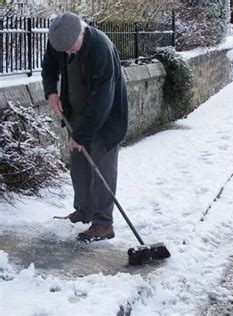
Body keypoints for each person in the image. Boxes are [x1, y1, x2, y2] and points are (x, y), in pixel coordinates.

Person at [41, 12, 128, 242]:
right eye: (64, 50)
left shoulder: (101, 49)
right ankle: (84, 210)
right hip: (76, 114)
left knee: (102, 169)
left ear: (81, 32)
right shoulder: (60, 42)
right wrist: (51, 92)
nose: (68, 53)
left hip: (106, 118)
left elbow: (102, 100)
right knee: (78, 167)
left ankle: (103, 223)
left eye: (72, 47)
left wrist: (81, 134)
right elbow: (48, 65)